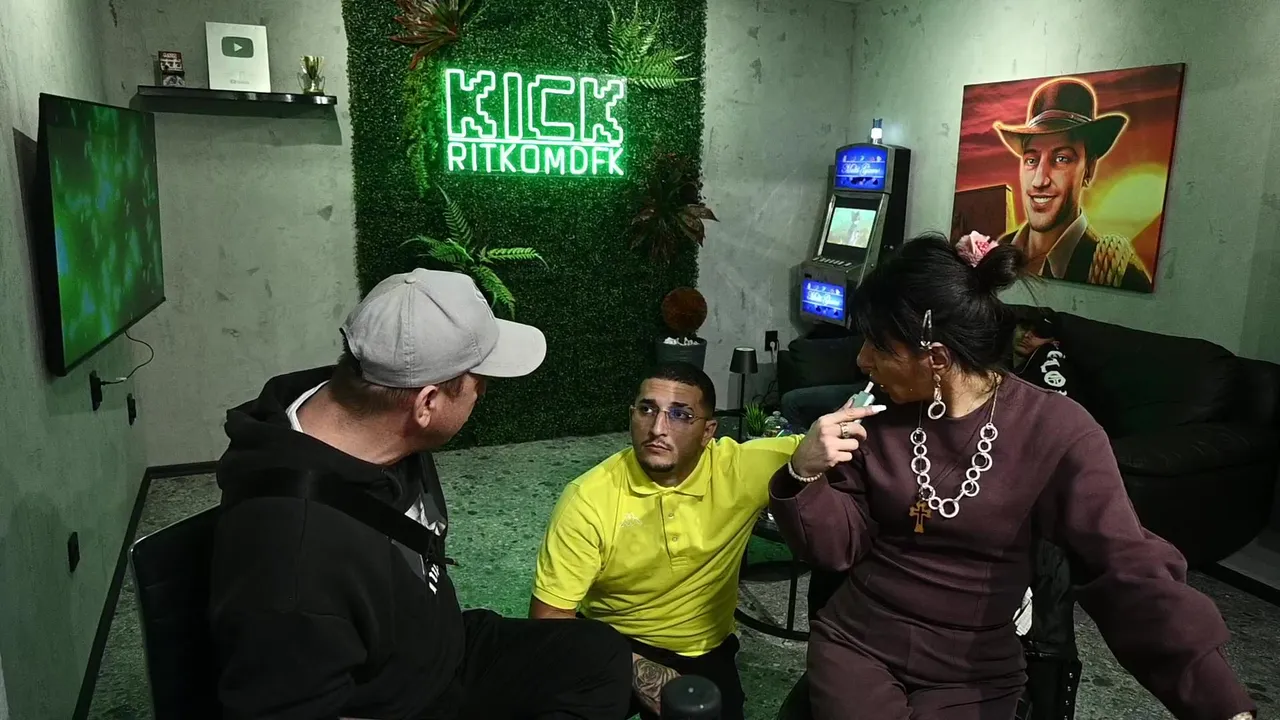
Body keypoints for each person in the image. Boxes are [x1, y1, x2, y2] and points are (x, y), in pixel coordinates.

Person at [769, 232, 1255, 720]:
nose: (862, 360)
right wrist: (802, 472)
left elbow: (1128, 569)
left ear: (936, 359)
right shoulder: (872, 414)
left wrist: (1221, 704)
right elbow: (837, 547)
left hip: (973, 671)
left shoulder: (1057, 431)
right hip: (858, 645)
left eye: (878, 345)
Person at [209, 269, 633, 720]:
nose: (483, 391)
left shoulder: (370, 408)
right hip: (401, 705)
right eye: (478, 380)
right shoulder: (293, 563)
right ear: (427, 403)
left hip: (434, 652)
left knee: (601, 655)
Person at [528, 362, 802, 720]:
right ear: (632, 415)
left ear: (708, 432)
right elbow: (548, 618)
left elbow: (819, 447)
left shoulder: (739, 468)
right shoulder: (588, 498)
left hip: (702, 646)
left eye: (680, 415)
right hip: (612, 638)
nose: (658, 428)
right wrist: (634, 669)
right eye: (647, 410)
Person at [993, 77, 1153, 292]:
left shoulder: (1122, 275)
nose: (1039, 180)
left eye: (1061, 159)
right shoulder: (997, 252)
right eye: (1031, 160)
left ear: (1089, 169)